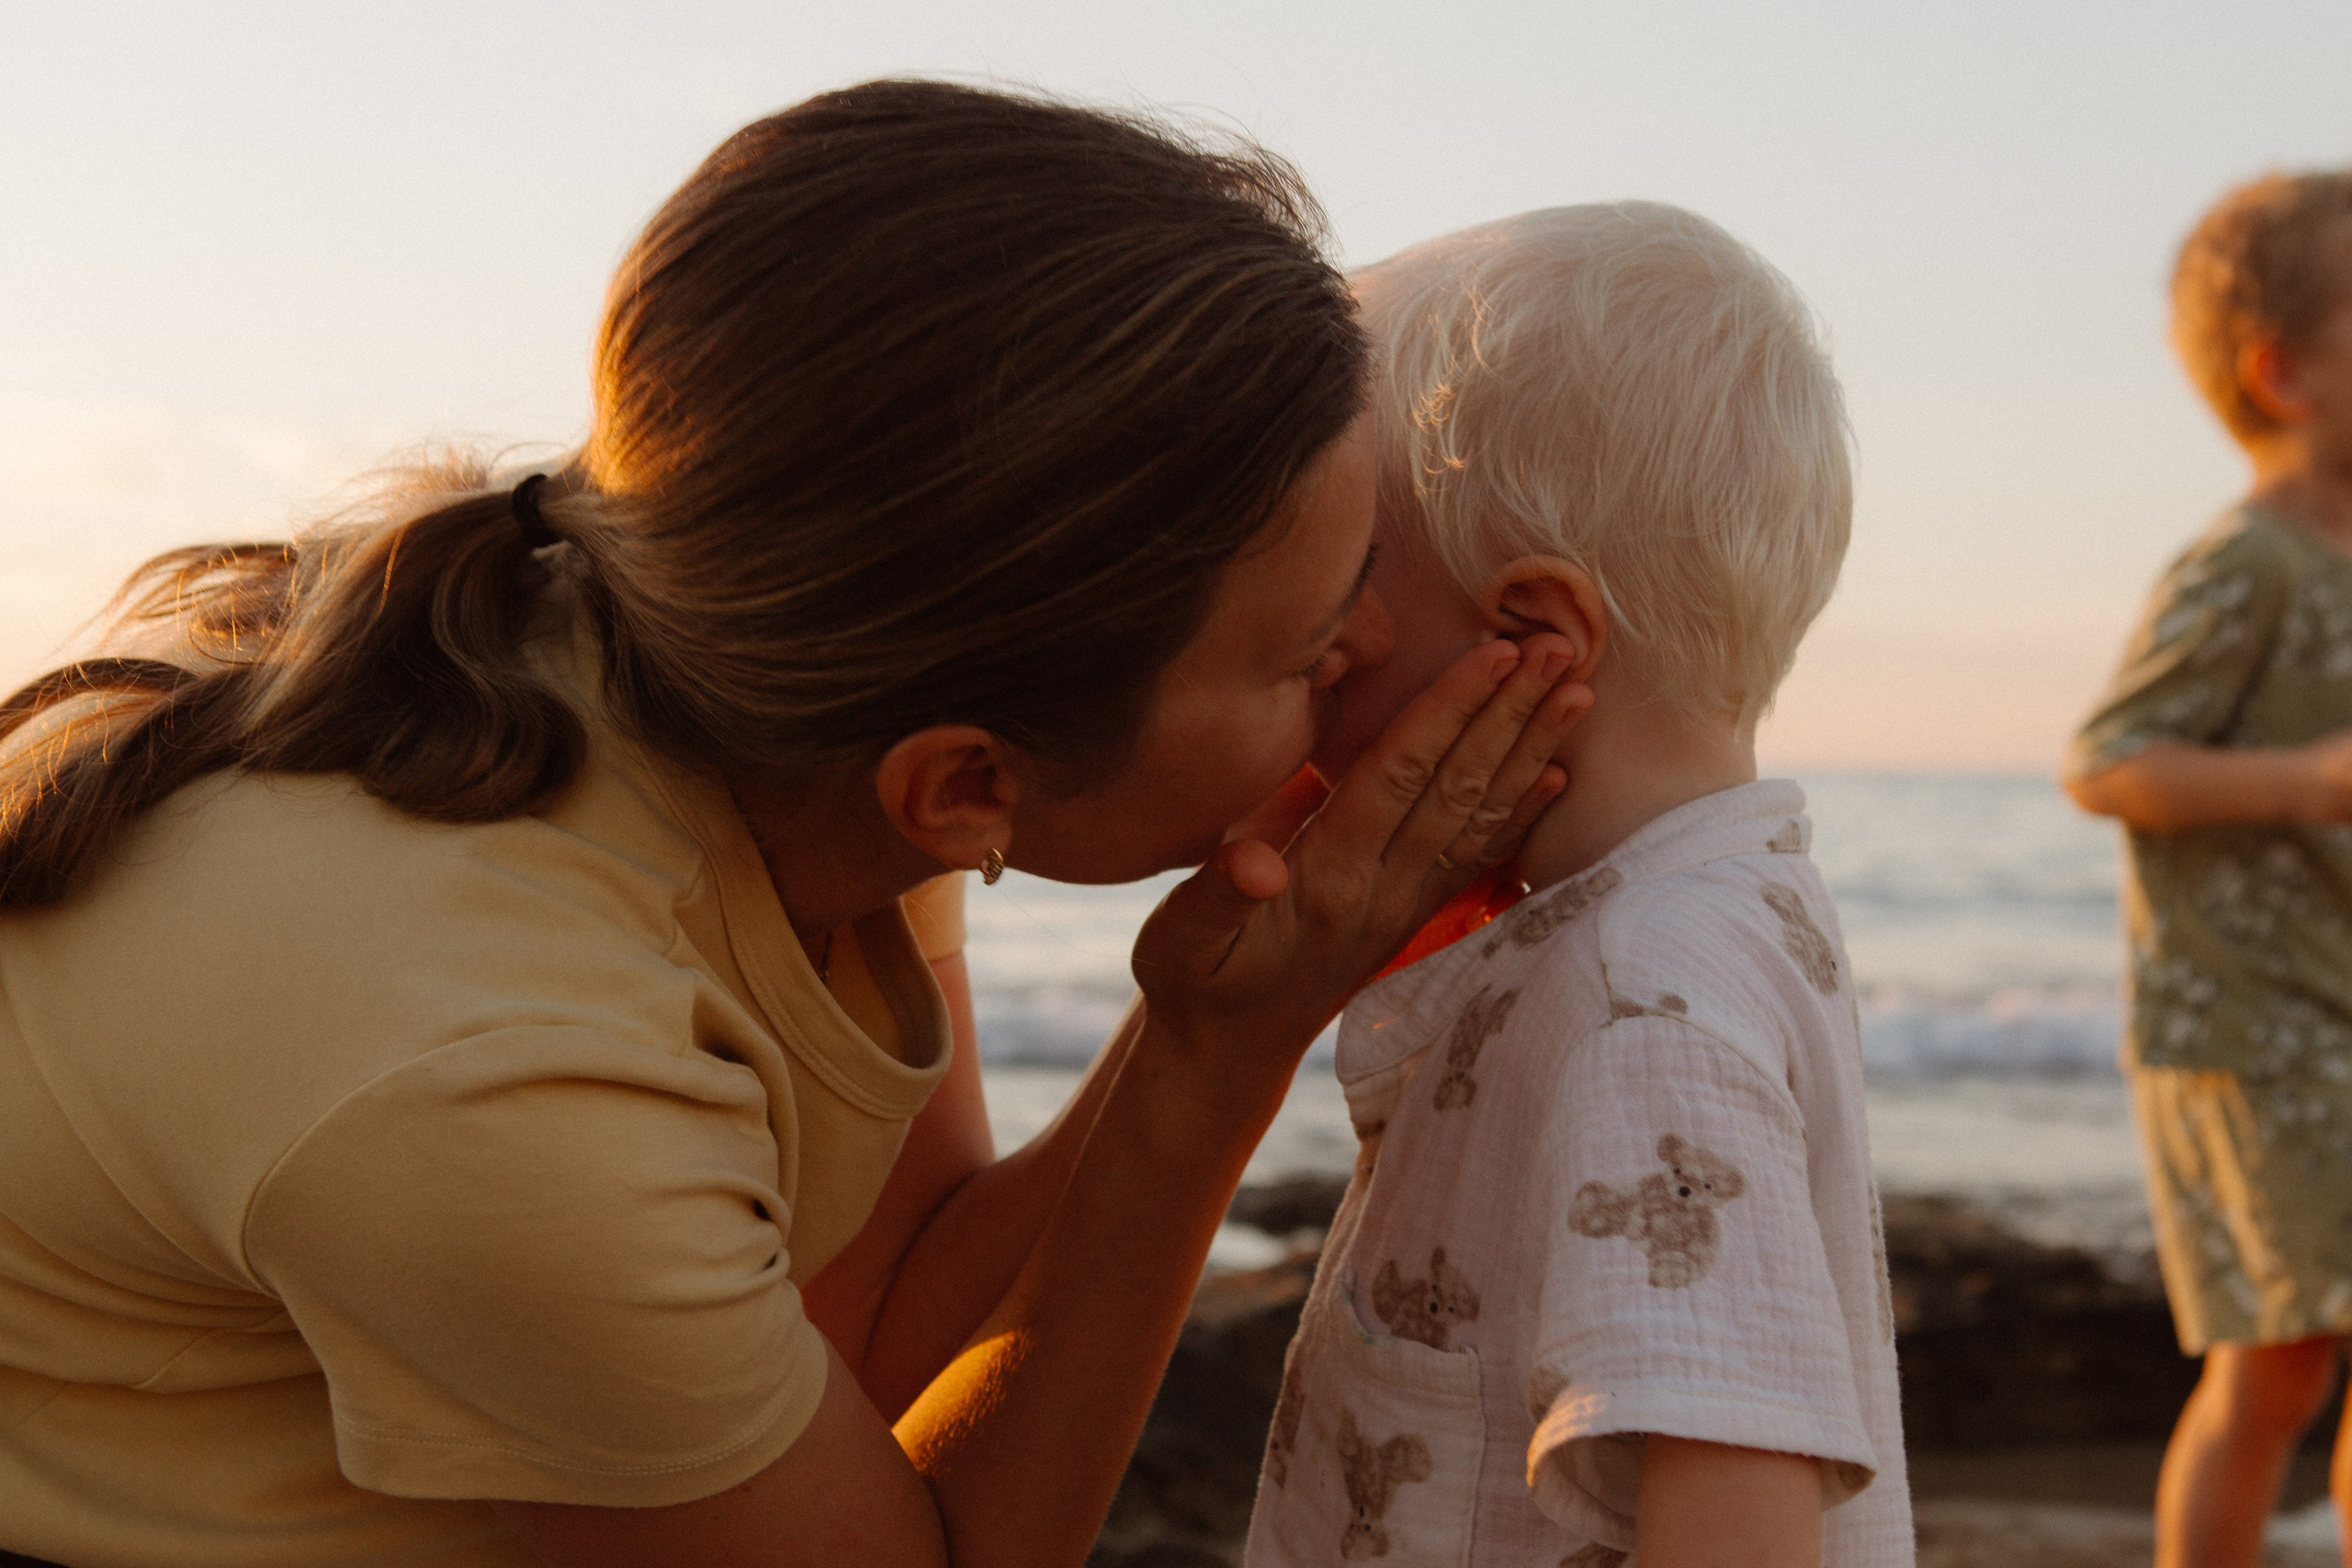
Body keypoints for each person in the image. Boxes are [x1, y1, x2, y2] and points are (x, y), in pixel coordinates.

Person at [0, 83, 1592, 1568]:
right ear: (967, 785)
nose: (1379, 653)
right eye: (1315, 650)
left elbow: (880, 1318)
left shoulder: (799, 696)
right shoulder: (499, 1066)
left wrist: (1193, 1021)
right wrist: (1223, 1055)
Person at [1241, 204, 1910, 1568]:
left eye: (1347, 568)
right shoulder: (1676, 919)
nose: (1311, 631)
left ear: (1532, 639)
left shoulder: (1641, 990)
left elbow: (1737, 1494)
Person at [2067, 169, 2352, 1568]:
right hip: (2246, 1027)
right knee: (2281, 1363)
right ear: (2285, 373)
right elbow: (2109, 762)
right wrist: (2306, 781)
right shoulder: (2246, 564)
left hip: (2338, 1005)